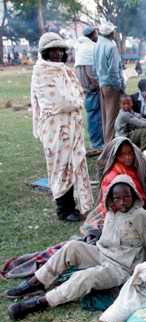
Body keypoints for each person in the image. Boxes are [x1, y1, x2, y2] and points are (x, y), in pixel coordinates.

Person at [6, 174, 146, 320]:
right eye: (117, 198)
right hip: (102, 254)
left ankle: (42, 302)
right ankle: (38, 282)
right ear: (111, 198)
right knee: (72, 246)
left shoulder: (141, 216)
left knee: (84, 277)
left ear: (134, 195)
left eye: (127, 196)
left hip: (122, 268)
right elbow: (106, 241)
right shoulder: (112, 212)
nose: (123, 202)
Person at [31, 32, 94, 223]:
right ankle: (63, 210)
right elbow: (59, 101)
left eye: (60, 50)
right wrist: (75, 101)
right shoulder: (42, 72)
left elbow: (78, 94)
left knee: (74, 164)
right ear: (45, 52)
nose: (57, 54)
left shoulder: (65, 70)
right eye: (53, 50)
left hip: (72, 127)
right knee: (60, 167)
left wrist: (75, 101)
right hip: (55, 129)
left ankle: (74, 206)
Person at [94, 21, 124, 144]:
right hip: (111, 85)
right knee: (112, 117)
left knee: (106, 116)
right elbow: (113, 69)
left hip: (102, 83)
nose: (114, 33)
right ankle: (110, 145)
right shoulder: (111, 46)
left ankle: (108, 142)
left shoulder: (98, 44)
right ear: (110, 33)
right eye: (113, 31)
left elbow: (94, 66)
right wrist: (119, 85)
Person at [74, 26, 103, 153]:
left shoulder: (80, 47)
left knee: (93, 115)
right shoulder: (90, 48)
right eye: (96, 34)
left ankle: (95, 142)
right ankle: (96, 144)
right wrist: (100, 84)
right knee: (95, 117)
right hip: (92, 89)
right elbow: (92, 74)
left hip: (85, 89)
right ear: (93, 35)